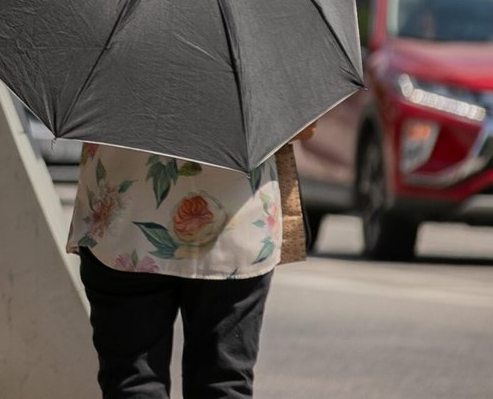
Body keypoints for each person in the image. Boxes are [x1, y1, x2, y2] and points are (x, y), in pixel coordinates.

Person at [65, 127, 316, 399]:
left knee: (133, 381)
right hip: (234, 226)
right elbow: (303, 127)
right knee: (222, 384)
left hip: (125, 222)